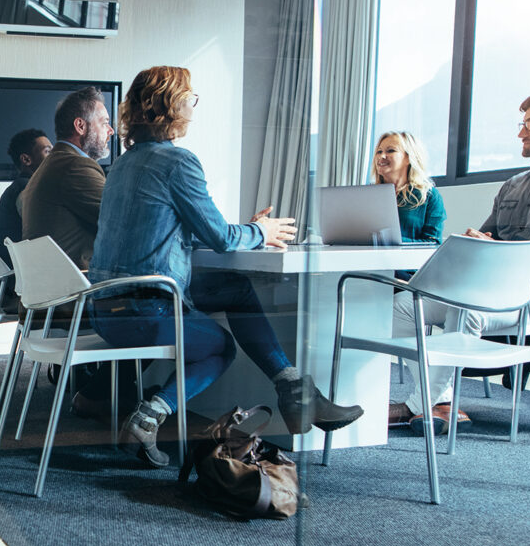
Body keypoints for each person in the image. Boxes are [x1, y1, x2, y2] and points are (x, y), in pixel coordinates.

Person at [88, 65, 363, 468]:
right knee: (220, 348)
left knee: (236, 288)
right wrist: (260, 230)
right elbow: (220, 239)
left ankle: (295, 390)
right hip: (145, 311)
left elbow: (175, 231)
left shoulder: (120, 167)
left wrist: (247, 229)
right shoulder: (178, 162)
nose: (192, 107)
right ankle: (150, 415)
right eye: (189, 98)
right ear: (171, 105)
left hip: (103, 310)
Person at [388, 86, 530, 433]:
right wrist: (480, 241)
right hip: (487, 288)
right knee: (401, 308)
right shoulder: (512, 185)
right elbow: (489, 238)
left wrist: (505, 252)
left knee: (465, 305)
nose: (520, 132)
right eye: (522, 123)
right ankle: (440, 400)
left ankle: (416, 405)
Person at [19, 87, 113, 270]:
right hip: (76, 291)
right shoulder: (74, 167)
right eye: (104, 123)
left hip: (51, 288)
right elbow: (121, 220)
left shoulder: (55, 162)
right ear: (80, 126)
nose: (110, 131)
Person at [0, 128, 51, 311]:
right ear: (26, 160)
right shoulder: (27, 191)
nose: (54, 157)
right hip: (14, 289)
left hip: (2, 284)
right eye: (47, 151)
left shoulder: (17, 187)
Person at [372, 130, 444, 243]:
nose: (382, 156)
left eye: (390, 151)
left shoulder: (428, 195)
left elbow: (433, 242)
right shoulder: (368, 194)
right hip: (366, 258)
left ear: (409, 158)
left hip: (407, 260)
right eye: (379, 152)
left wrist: (391, 241)